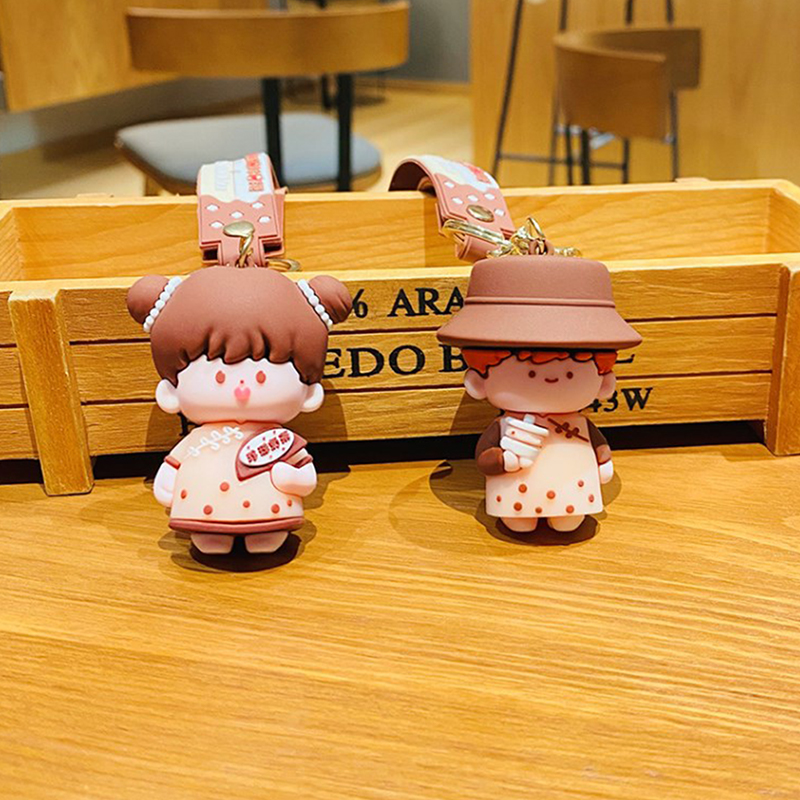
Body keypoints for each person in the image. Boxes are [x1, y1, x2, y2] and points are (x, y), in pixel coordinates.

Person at [126, 265, 352, 555]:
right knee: (209, 539)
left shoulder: (280, 440)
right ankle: (210, 536)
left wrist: (292, 478)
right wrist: (167, 482)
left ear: (308, 392)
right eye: (220, 377)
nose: (242, 390)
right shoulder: (199, 439)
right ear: (171, 392)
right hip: (202, 514)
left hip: (271, 512)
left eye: (261, 377)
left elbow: (306, 476)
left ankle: (267, 533)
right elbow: (174, 463)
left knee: (267, 536)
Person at [437, 254, 641, 534]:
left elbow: (598, 443)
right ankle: (521, 518)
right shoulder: (505, 426)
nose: (552, 378)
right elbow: (484, 458)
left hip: (572, 490)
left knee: (568, 520)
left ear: (605, 384)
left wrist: (603, 459)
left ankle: (567, 515)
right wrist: (502, 460)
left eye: (571, 374)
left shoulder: (579, 424)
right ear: (477, 383)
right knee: (518, 522)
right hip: (515, 495)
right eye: (530, 373)